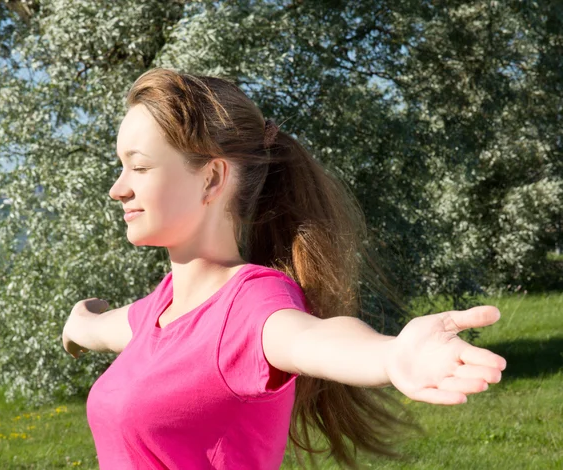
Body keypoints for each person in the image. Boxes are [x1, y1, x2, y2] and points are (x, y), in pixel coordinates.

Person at [62, 68, 506, 470]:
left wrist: (390, 355)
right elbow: (101, 327)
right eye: (122, 167)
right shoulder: (161, 310)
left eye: (139, 167)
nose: (117, 189)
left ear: (213, 178)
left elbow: (310, 338)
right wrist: (79, 323)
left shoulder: (248, 307)